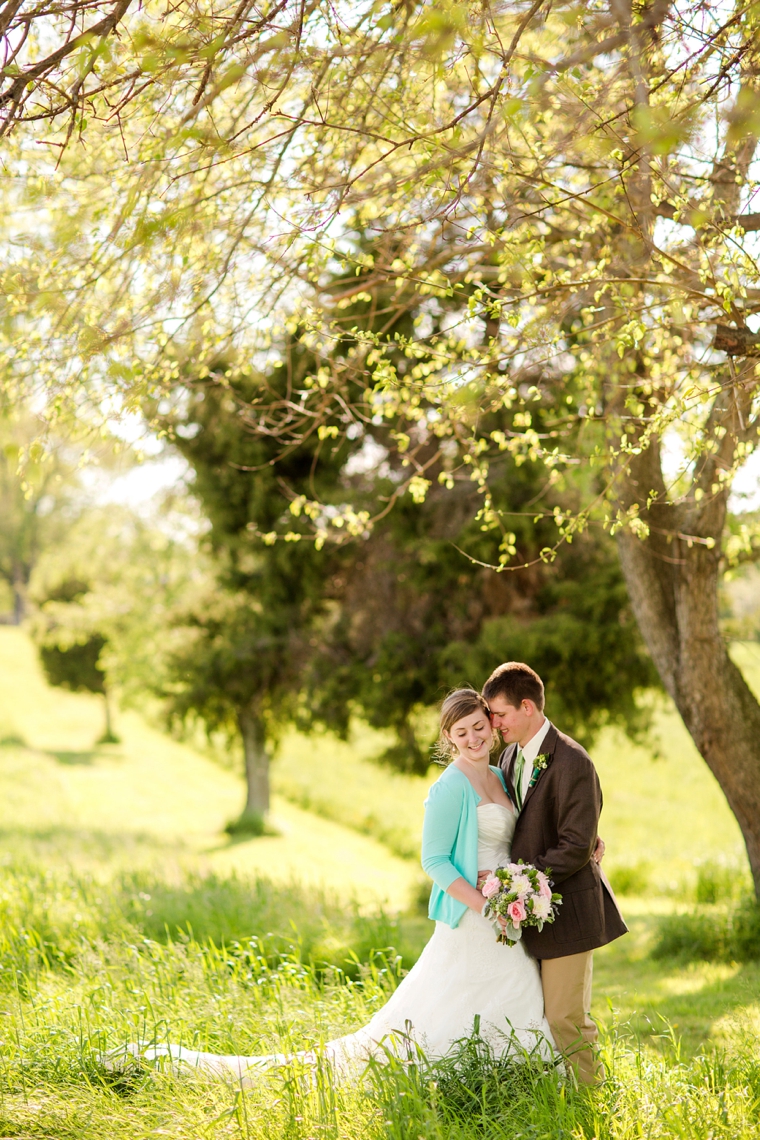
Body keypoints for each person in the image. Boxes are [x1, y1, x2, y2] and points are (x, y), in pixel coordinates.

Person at [113, 688, 554, 1082]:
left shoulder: (499, 776)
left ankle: (511, 1076)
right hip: (473, 914)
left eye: (479, 726)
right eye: (461, 732)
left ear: (491, 726)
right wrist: (482, 905)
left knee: (512, 988)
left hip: (505, 909)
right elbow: (435, 860)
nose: (473, 738)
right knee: (454, 1004)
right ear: (449, 737)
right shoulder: (450, 786)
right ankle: (454, 1073)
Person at [481, 661, 627, 1086]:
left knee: (566, 1016)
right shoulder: (509, 756)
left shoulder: (573, 761)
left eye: (500, 714)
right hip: (527, 911)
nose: (495, 724)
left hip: (568, 910)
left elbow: (577, 844)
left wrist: (519, 884)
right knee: (538, 1015)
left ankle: (592, 1103)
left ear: (527, 707)